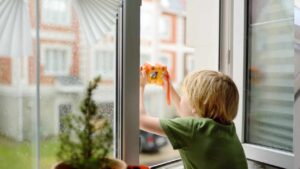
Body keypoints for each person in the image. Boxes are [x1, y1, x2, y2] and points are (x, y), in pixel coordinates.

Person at [139, 70, 248, 169]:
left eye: (184, 95)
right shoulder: (226, 128)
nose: (181, 99)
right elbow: (186, 112)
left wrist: (140, 86)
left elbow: (141, 120)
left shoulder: (195, 129)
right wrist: (169, 88)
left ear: (195, 106)